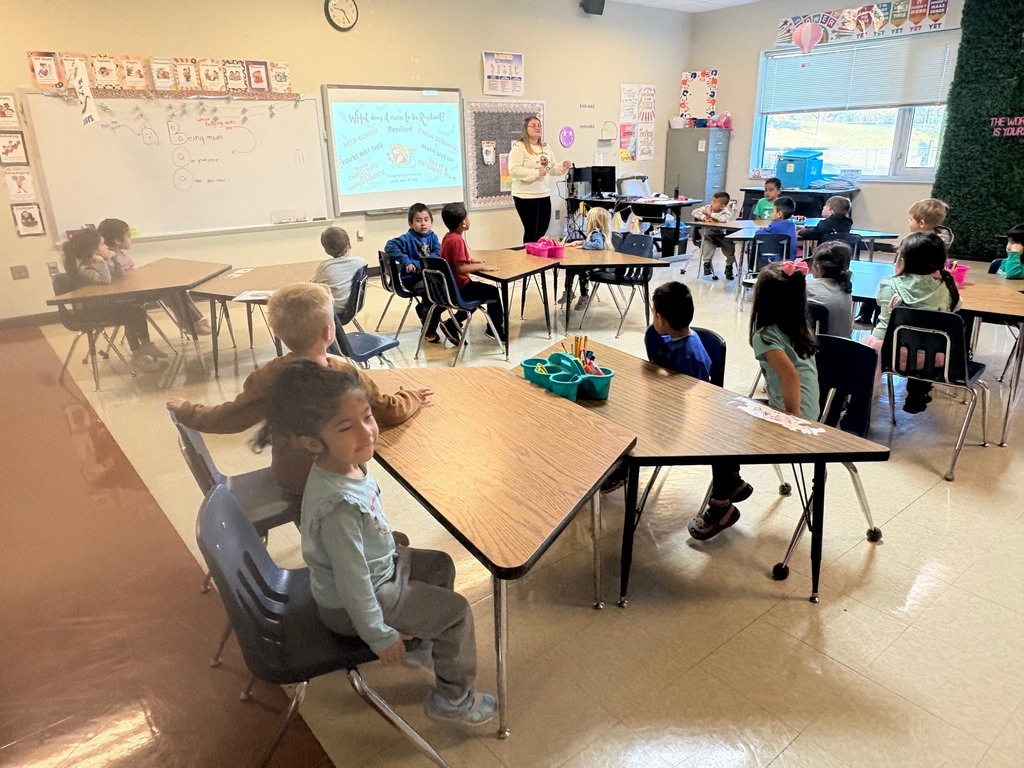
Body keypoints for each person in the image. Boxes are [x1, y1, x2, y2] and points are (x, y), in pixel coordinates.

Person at [258, 361, 497, 726]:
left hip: (380, 570)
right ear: (312, 442)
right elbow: (354, 587)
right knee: (457, 613)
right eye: (346, 427)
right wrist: (379, 636)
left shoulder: (345, 465)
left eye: (367, 417)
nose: (367, 432)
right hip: (357, 600)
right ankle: (454, 699)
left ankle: (424, 635)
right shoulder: (339, 508)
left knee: (440, 565)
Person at [166, 282, 430, 496]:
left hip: (292, 478)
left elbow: (230, 418)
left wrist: (188, 410)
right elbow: (387, 411)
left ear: (279, 333)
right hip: (341, 478)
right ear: (329, 332)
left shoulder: (269, 376)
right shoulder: (344, 373)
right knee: (361, 484)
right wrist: (412, 396)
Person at [863, 232, 960, 413]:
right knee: (923, 344)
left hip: (886, 353)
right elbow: (957, 307)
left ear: (902, 260)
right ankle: (918, 392)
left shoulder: (888, 284)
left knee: (881, 334)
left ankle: (858, 406)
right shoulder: (948, 286)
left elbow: (879, 302)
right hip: (930, 358)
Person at [61, 228, 163, 373]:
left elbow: (119, 275)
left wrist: (114, 259)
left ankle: (145, 344)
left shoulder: (99, 262)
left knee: (135, 309)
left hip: (103, 305)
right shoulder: (84, 268)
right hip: (91, 312)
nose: (107, 247)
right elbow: (105, 280)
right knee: (132, 312)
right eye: (102, 245)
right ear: (93, 250)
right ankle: (137, 352)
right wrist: (102, 261)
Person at [97, 218, 212, 336]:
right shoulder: (110, 258)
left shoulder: (121, 254)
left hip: (135, 287)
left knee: (175, 288)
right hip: (129, 294)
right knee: (170, 289)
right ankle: (190, 324)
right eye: (128, 236)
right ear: (117, 240)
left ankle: (194, 321)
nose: (131, 239)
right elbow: (120, 279)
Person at [856, 198, 951, 325]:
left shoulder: (928, 244)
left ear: (921, 223)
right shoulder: (936, 242)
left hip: (912, 279)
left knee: (884, 289)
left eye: (911, 219)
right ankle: (865, 314)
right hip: (917, 279)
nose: (908, 221)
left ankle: (869, 316)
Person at [438, 202, 506, 342]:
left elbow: (454, 259)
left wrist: (472, 260)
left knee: (478, 296)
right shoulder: (457, 240)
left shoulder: (448, 237)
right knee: (492, 292)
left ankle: (451, 324)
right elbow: (460, 268)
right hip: (460, 288)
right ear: (463, 223)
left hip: (451, 288)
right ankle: (495, 329)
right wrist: (482, 267)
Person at [384, 204, 445, 342]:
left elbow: (438, 252)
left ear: (431, 222)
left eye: (426, 219)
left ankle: (423, 310)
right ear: (410, 223)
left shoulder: (433, 237)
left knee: (443, 292)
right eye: (418, 220)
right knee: (431, 294)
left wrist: (423, 263)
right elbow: (389, 245)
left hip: (429, 277)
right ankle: (429, 330)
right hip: (413, 278)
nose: (423, 223)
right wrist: (406, 260)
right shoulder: (407, 238)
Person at [509, 114, 570, 246]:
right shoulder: (519, 147)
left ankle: (538, 253)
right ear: (526, 129)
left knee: (542, 229)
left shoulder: (545, 147)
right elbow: (513, 170)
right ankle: (529, 255)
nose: (537, 128)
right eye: (533, 126)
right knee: (531, 230)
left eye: (539, 125)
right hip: (525, 195)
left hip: (543, 194)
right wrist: (535, 173)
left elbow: (552, 168)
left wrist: (563, 166)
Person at [313, 226, 369, 343]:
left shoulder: (324, 267)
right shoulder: (361, 262)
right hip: (352, 307)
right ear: (349, 244)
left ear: (326, 250)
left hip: (329, 310)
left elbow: (315, 286)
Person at [563, 206, 615, 308]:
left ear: (593, 221)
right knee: (570, 269)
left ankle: (584, 296)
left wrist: (583, 246)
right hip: (593, 264)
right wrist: (579, 242)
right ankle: (568, 292)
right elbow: (591, 241)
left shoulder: (596, 233)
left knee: (583, 270)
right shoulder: (595, 233)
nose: (586, 221)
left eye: (588, 219)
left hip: (598, 265)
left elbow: (598, 245)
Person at [805, 240, 854, 338]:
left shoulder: (806, 287)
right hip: (842, 345)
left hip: (814, 345)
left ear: (817, 267)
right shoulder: (845, 288)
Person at [691, 191, 737, 280]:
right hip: (709, 235)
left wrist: (710, 214)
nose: (712, 203)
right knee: (707, 243)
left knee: (730, 246)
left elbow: (722, 219)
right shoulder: (707, 207)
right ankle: (707, 264)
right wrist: (704, 217)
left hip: (722, 236)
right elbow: (694, 212)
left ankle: (729, 266)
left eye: (715, 202)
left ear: (722, 206)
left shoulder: (726, 212)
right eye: (712, 200)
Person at [756, 195, 798, 261]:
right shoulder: (792, 225)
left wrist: (760, 229)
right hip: (790, 261)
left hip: (777, 262)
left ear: (779, 214)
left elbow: (758, 234)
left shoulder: (774, 225)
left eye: (772, 211)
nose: (771, 214)